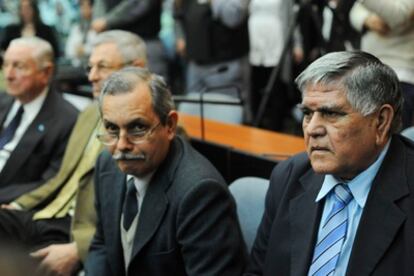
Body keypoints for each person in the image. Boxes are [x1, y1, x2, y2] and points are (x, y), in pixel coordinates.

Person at [244, 51, 414, 275]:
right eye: (307, 113)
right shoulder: (288, 176)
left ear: (380, 122)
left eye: (331, 113)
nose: (312, 129)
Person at [0, 30, 147, 276]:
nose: (92, 76)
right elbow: (60, 178)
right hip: (47, 213)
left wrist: (78, 249)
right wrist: (18, 204)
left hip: (80, 230)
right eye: (90, 67)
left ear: (137, 67)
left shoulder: (154, 130)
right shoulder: (89, 113)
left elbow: (138, 211)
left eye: (102, 67)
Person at [85, 67, 246, 275]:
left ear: (170, 126)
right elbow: (102, 244)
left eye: (137, 128)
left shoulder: (200, 193)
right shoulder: (107, 164)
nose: (122, 145)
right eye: (112, 129)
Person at [0, 36, 78, 203]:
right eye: (5, 64)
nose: (8, 74)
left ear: (46, 72)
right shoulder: (3, 101)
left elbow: (49, 182)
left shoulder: (67, 120)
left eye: (18, 66)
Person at [349, 0, 414, 128]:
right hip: (369, 69)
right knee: (366, 132)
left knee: (391, 134)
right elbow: (355, 11)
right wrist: (366, 19)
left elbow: (399, 16)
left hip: (400, 73)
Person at [91, 0, 167, 78]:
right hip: (115, 43)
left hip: (146, 40)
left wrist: (107, 21)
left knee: (152, 84)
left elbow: (137, 4)